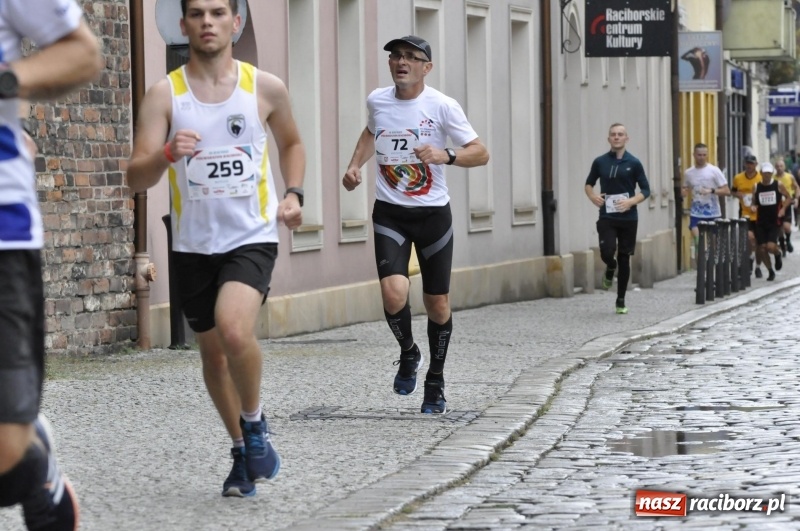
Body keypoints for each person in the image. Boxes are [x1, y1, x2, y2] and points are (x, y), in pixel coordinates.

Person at [127, 0, 305, 497]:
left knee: (232, 327)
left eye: (218, 12)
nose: (208, 21)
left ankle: (254, 425)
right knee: (213, 354)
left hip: (251, 235)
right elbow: (134, 176)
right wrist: (165, 155)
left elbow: (292, 143)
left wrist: (294, 193)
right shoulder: (165, 95)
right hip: (192, 243)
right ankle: (240, 452)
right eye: (198, 13)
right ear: (182, 25)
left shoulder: (263, 87)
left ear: (236, 22)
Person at [342, 35, 489, 415]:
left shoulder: (442, 106)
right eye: (395, 56)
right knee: (393, 294)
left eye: (411, 57)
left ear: (427, 67)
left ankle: (435, 381)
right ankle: (409, 352)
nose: (401, 62)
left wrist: (447, 154)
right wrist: (355, 164)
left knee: (436, 303)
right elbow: (371, 132)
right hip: (390, 212)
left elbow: (480, 152)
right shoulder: (378, 100)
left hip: (432, 215)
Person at [0, 1, 102, 529]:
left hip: (2, 231)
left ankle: (33, 461)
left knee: (5, 452)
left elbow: (83, 54)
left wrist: (8, 81)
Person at [584, 123, 651, 315]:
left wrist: (631, 202)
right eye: (613, 134)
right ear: (609, 139)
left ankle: (620, 300)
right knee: (607, 251)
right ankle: (609, 266)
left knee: (624, 257)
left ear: (626, 138)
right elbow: (588, 184)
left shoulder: (634, 163)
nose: (616, 137)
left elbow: (646, 190)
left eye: (620, 134)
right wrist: (592, 196)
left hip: (628, 217)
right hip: (607, 215)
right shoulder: (600, 162)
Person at [681, 143, 730, 248]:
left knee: (713, 245)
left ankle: (710, 264)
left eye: (704, 155)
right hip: (696, 213)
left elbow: (726, 191)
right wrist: (684, 192)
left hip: (713, 213)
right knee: (699, 243)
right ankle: (700, 263)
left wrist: (711, 191)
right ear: (694, 155)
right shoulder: (688, 173)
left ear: (707, 155)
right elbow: (685, 188)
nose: (702, 157)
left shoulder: (714, 171)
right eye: (699, 155)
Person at [752, 162, 791, 281]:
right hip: (761, 221)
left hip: (774, 221)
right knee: (762, 248)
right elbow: (754, 201)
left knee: (770, 247)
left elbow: (789, 197)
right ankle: (770, 270)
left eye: (769, 173)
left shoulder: (778, 185)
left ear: (772, 174)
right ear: (761, 173)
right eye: (765, 173)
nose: (767, 175)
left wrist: (783, 209)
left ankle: (778, 254)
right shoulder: (756, 186)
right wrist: (753, 206)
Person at [731, 154, 762, 277]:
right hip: (745, 213)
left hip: (760, 214)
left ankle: (758, 266)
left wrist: (757, 204)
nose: (749, 166)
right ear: (744, 164)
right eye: (747, 163)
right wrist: (737, 194)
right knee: (749, 238)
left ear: (756, 164)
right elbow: (732, 191)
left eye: (752, 164)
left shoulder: (761, 178)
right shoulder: (738, 178)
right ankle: (750, 258)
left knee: (759, 243)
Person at [773, 159, 799, 255]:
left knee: (787, 227)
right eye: (777, 166)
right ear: (775, 167)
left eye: (781, 166)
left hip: (787, 204)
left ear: (784, 167)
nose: (779, 168)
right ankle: (783, 246)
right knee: (779, 228)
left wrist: (796, 199)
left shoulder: (790, 177)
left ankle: (787, 241)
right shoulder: (773, 178)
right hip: (776, 206)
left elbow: (797, 188)